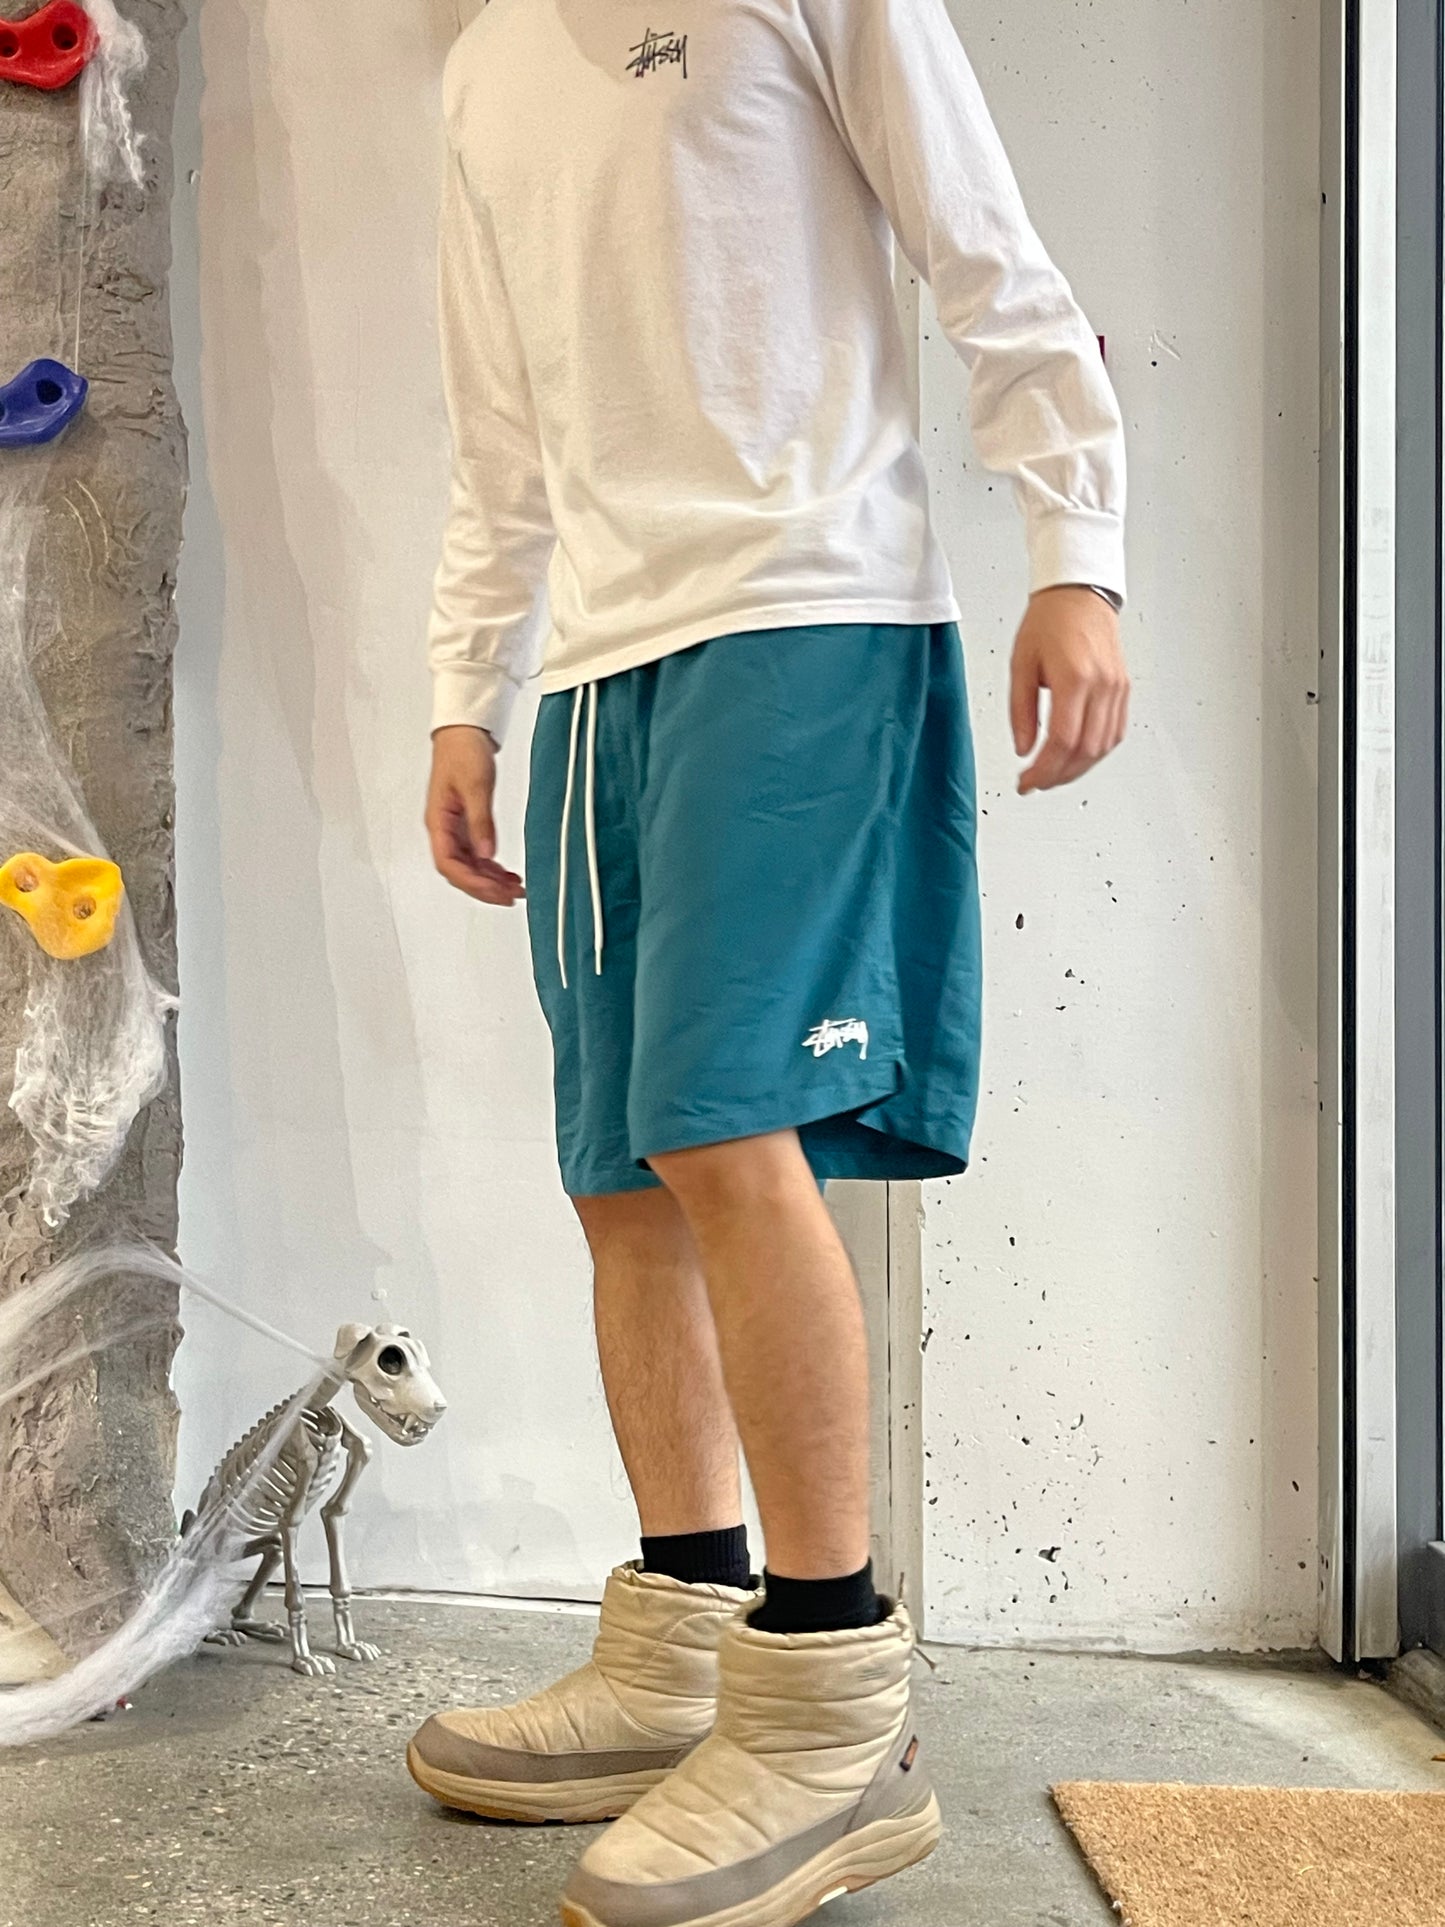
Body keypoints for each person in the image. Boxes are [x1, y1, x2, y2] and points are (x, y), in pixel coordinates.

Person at [407, 0, 1129, 1920]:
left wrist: (1075, 547)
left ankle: (828, 1704)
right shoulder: (481, 63)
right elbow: (499, 428)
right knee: (621, 1175)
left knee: (728, 1129)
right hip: (598, 671)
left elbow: (986, 254)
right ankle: (683, 1640)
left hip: (806, 610)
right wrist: (466, 692)